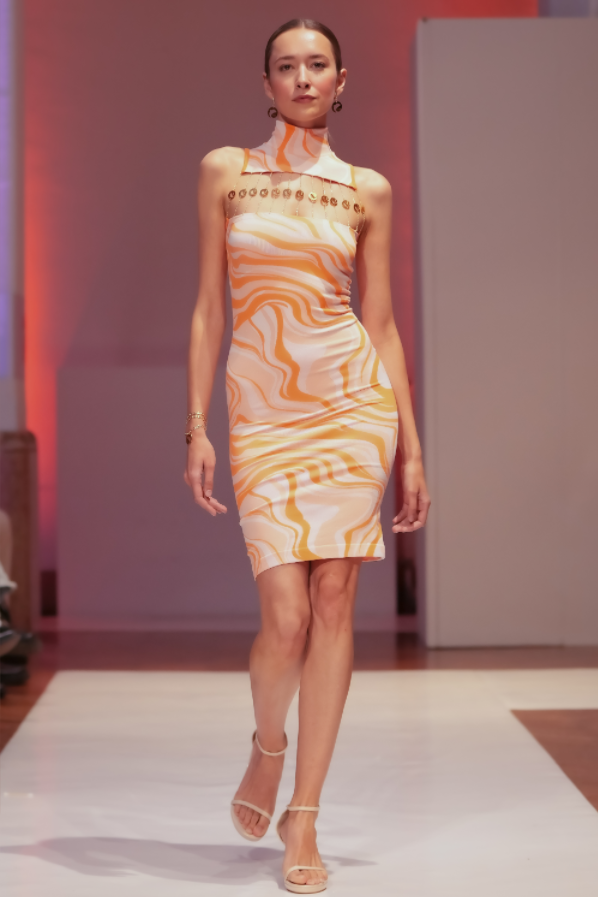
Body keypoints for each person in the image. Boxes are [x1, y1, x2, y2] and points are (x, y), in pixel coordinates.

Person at [185, 18, 430, 894]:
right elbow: (209, 309)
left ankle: (306, 812)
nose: (301, 78)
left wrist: (411, 449)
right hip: (262, 412)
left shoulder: (368, 189)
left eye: (316, 64)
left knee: (333, 601)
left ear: (340, 80)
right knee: (283, 615)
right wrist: (196, 425)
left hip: (352, 407)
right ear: (266, 84)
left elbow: (382, 324)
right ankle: (268, 746)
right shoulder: (227, 171)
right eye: (285, 66)